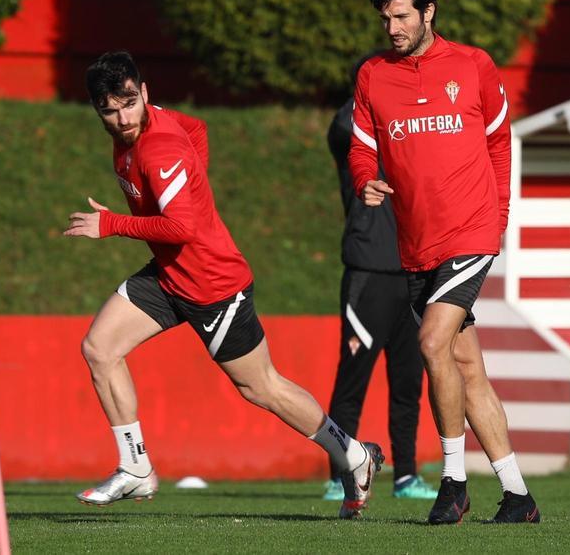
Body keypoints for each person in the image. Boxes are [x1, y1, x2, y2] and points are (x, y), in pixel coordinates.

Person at [64, 50, 383, 519]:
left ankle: (352, 456)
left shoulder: (159, 148)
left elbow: (182, 228)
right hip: (170, 276)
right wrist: (193, 183)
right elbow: (198, 130)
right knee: (99, 348)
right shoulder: (146, 132)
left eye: (129, 104)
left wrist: (111, 224)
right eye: (109, 110)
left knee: (262, 388)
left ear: (145, 93)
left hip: (214, 286)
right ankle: (135, 466)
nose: (121, 117)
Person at [347, 0, 540, 525]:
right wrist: (365, 179)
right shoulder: (372, 76)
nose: (393, 27)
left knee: (432, 343)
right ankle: (518, 495)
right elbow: (362, 147)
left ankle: (452, 483)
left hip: (472, 230)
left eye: (403, 15)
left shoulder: (474, 65)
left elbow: (501, 144)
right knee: (465, 364)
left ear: (429, 12)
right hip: (417, 244)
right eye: (386, 17)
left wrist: (498, 216)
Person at [318, 69, 438, 502]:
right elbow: (346, 126)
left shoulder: (410, 124)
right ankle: (340, 474)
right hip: (366, 272)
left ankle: (406, 476)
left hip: (411, 270)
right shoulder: (350, 124)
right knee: (353, 381)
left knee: (409, 382)